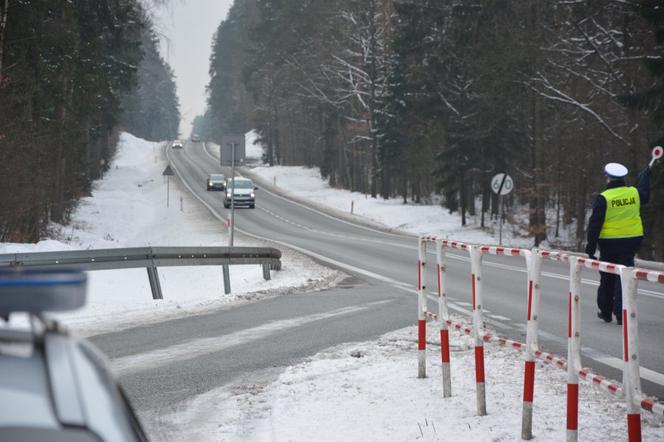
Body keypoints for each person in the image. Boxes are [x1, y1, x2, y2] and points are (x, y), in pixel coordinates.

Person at [585, 162, 651, 325]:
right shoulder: (634, 193)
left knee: (607, 275)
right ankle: (622, 313)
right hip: (631, 242)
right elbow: (645, 194)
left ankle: (606, 311)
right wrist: (645, 178)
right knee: (625, 276)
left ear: (608, 178)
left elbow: (595, 225)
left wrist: (590, 248)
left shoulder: (604, 198)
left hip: (609, 244)